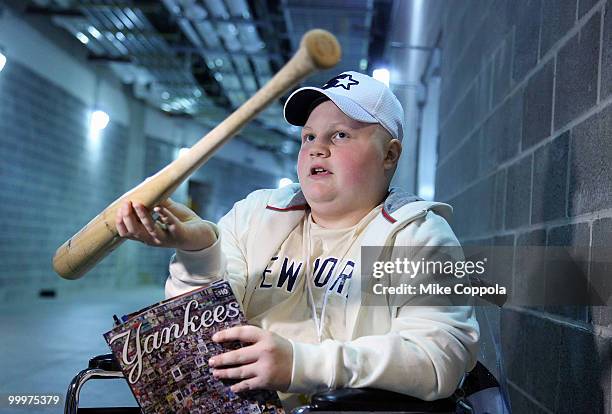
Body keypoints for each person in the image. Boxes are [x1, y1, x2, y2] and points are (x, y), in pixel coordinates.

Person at [115, 71, 479, 410]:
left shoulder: (416, 235)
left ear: (389, 155)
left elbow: (438, 358)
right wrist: (198, 253)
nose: (317, 148)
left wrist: (301, 364)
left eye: (340, 135)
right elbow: (202, 334)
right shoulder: (256, 214)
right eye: (309, 137)